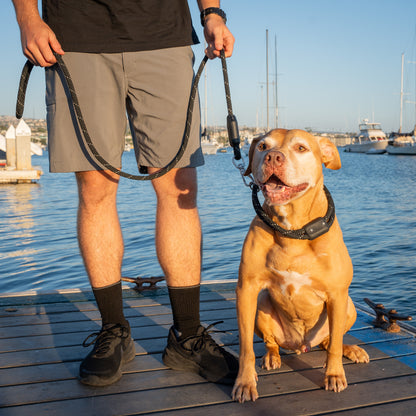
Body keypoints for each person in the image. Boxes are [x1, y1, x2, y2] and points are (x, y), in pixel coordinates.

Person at [12, 0, 237, 387]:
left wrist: (212, 14)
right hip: (76, 36)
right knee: (95, 188)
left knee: (178, 188)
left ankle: (187, 336)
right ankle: (113, 330)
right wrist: (28, 18)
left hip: (163, 35)